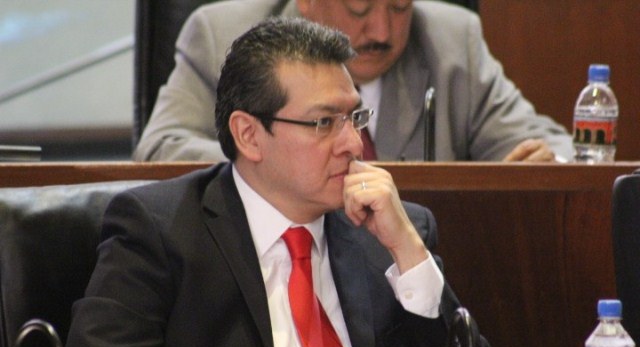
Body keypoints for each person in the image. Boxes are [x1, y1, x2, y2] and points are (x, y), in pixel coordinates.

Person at [65, 17, 498, 347]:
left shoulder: (388, 235)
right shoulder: (161, 230)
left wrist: (410, 253)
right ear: (249, 135)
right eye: (324, 122)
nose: (354, 144)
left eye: (355, 117)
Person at [133, 0, 573, 163]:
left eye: (399, 8)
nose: (382, 31)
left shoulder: (452, 41)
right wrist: (273, 165)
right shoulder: (222, 37)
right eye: (359, 10)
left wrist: (546, 162)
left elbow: (557, 147)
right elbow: (160, 147)